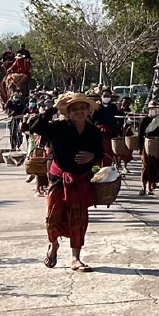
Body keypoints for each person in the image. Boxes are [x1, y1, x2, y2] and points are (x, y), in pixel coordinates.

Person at [26, 92, 107, 271]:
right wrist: (54, 108)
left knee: (79, 220)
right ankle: (54, 245)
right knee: (53, 217)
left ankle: (75, 258)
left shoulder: (93, 131)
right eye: (74, 109)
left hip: (80, 180)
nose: (79, 111)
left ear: (88, 111)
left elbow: (101, 153)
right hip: (58, 179)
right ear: (68, 113)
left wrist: (92, 157)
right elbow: (35, 127)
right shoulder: (58, 127)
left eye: (82, 108)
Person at [139, 100, 159, 195]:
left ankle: (151, 186)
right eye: (151, 108)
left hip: (157, 145)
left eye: (155, 109)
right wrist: (140, 148)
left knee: (156, 166)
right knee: (146, 166)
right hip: (146, 145)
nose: (153, 110)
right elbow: (140, 134)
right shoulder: (145, 120)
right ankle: (144, 187)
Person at [90, 90, 126, 169]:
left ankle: (108, 167)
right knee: (98, 150)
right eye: (105, 96)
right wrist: (94, 108)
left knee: (109, 151)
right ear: (101, 97)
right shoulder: (98, 107)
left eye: (108, 96)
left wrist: (120, 110)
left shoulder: (113, 107)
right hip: (99, 132)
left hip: (110, 131)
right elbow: (92, 119)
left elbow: (120, 117)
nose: (106, 98)